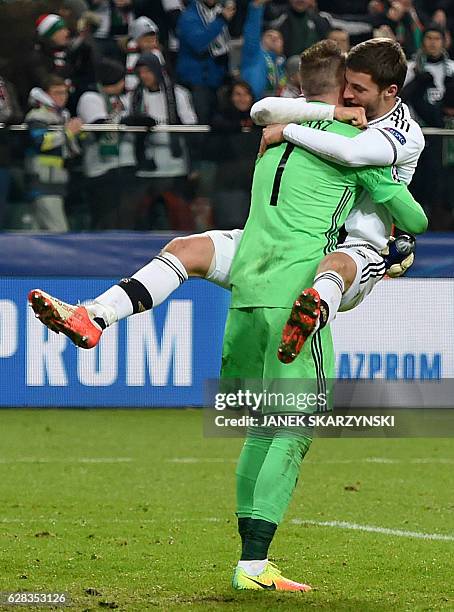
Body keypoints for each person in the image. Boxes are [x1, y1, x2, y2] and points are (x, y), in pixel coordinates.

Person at [256, 37, 426, 361]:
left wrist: (288, 130)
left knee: (335, 265)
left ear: (390, 91)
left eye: (359, 89)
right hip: (307, 236)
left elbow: (351, 153)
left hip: (360, 247)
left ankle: (311, 315)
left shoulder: (404, 132)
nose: (348, 94)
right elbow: (260, 110)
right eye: (347, 84)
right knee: (197, 246)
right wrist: (329, 111)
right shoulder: (342, 109)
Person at [76, 58, 136, 228]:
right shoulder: (90, 97)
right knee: (105, 219)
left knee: (126, 218)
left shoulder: (123, 99)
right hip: (100, 169)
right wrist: (126, 122)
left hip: (124, 164)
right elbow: (99, 127)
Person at [25, 76, 82, 231]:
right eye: (56, 93)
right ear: (44, 94)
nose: (61, 97)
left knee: (37, 232)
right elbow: (41, 141)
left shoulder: (62, 116)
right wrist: (68, 133)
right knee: (59, 230)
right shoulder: (38, 115)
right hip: (42, 182)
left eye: (64, 93)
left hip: (56, 183)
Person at [176, 0, 236, 123]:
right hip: (197, 82)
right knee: (202, 126)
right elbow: (198, 42)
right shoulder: (189, 16)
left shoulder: (220, 10)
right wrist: (221, 20)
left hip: (217, 80)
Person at [241, 0, 286, 100]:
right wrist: (256, 7)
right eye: (269, 36)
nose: (274, 38)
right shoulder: (254, 53)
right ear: (261, 40)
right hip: (252, 105)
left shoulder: (282, 65)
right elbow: (252, 30)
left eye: (278, 38)